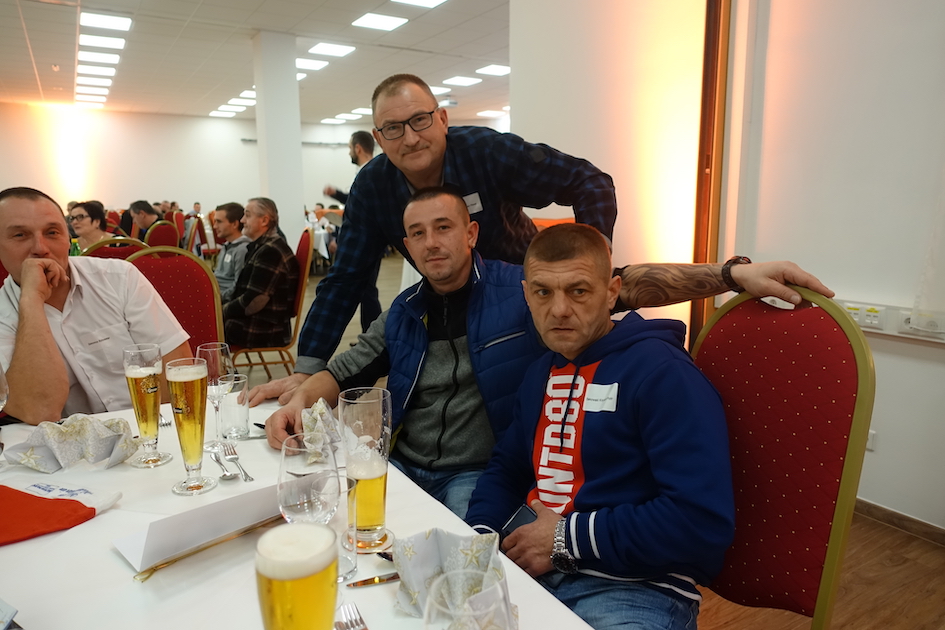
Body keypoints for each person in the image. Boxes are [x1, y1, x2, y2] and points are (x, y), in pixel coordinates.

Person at [250, 73, 833, 405]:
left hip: (521, 296)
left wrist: (726, 273)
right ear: (379, 139)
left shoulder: (491, 162)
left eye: (421, 119)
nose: (411, 136)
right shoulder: (405, 306)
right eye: (393, 129)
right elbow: (345, 285)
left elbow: (598, 203)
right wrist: (309, 371)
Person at [465, 223, 735, 630]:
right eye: (543, 292)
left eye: (578, 291)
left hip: (635, 587)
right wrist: (478, 541)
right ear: (526, 295)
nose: (559, 309)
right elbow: (507, 468)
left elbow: (701, 520)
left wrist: (564, 538)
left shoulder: (663, 374)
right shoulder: (540, 373)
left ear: (612, 292)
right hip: (531, 572)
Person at [264, 187, 547, 517]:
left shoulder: (521, 293)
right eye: (418, 233)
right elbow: (343, 372)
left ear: (471, 234)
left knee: (460, 541)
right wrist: (299, 401)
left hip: (476, 472)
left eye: (443, 227)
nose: (431, 242)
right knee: (327, 516)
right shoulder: (404, 311)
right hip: (401, 463)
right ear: (408, 247)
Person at [0, 187, 192, 425]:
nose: (40, 248)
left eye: (52, 232)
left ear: (68, 238)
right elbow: (40, 411)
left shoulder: (118, 278)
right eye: (20, 235)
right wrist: (31, 300)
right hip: (73, 442)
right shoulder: (4, 313)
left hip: (149, 428)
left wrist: (154, 435)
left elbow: (177, 367)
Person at [323, 130, 382, 333]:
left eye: (350, 148)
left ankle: (374, 336)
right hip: (364, 240)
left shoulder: (371, 172)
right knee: (366, 291)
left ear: (358, 148)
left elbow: (360, 208)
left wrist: (337, 195)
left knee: (368, 292)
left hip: (368, 241)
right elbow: (356, 203)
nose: (349, 152)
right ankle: (370, 335)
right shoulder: (365, 172)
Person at [222, 197, 299, 349]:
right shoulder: (263, 247)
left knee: (205, 323)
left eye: (247, 215)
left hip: (265, 329)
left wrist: (221, 310)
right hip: (261, 322)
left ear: (264, 221)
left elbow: (254, 302)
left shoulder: (271, 252)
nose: (242, 220)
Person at [212, 202, 251, 302]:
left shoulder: (242, 249)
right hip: (215, 293)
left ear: (234, 224)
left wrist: (215, 297)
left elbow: (238, 287)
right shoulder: (226, 246)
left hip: (223, 301)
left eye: (219, 222)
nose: (215, 226)